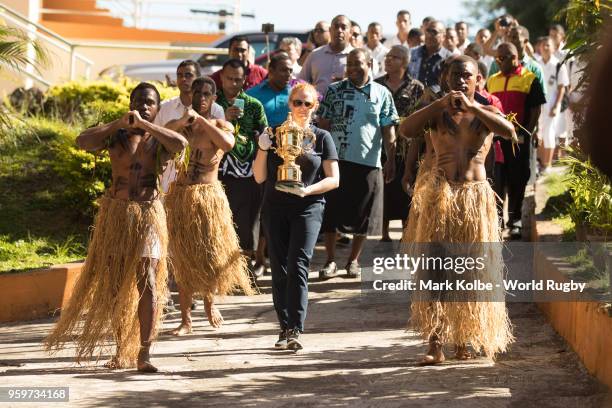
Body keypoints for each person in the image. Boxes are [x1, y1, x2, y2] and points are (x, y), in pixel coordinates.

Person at [45, 83, 188, 372]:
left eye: (149, 103)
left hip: (149, 213)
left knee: (147, 279)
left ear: (157, 108)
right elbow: (82, 141)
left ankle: (144, 353)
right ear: (130, 104)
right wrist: (117, 123)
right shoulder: (116, 137)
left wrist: (148, 124)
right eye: (138, 102)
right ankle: (124, 347)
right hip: (117, 215)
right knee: (115, 285)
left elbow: (181, 144)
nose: (143, 106)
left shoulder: (159, 140)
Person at [399, 55, 516, 364]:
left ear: (478, 79)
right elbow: (406, 130)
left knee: (469, 275)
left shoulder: (485, 113)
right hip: (440, 198)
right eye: (456, 75)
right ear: (446, 77)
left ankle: (463, 339)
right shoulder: (435, 114)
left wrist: (474, 106)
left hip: (474, 201)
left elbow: (509, 132)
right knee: (435, 271)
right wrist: (439, 104)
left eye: (468, 75)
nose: (462, 81)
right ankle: (435, 345)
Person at [164, 76, 254, 335]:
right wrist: (185, 121)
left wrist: (203, 121)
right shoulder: (180, 126)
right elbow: (165, 136)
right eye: (197, 93)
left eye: (206, 94)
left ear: (214, 98)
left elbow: (228, 144)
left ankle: (210, 304)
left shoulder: (220, 124)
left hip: (208, 197)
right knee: (183, 257)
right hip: (182, 196)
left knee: (210, 255)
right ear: (190, 95)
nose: (201, 98)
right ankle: (186, 320)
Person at [253, 83, 339, 350]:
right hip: (275, 207)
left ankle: (295, 329)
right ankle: (284, 326)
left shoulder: (322, 137)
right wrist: (263, 148)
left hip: (308, 207)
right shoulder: (274, 133)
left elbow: (334, 179)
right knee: (278, 268)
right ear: (289, 104)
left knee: (298, 264)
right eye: (297, 102)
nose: (302, 108)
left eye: (307, 104)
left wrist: (307, 190)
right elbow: (259, 177)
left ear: (315, 107)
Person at [317, 48, 398, 279]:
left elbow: (388, 129)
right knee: (331, 213)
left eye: (357, 63)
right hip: (336, 161)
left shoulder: (382, 93)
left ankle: (353, 261)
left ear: (369, 63)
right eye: (349, 64)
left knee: (363, 215)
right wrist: (322, 157)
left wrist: (390, 159)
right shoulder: (334, 90)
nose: (352, 68)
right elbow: (323, 124)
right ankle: (331, 261)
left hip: (368, 162)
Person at [487, 43, 546, 238]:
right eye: (497, 59)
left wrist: (526, 133)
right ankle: (498, 221)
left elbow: (536, 110)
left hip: (518, 140)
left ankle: (515, 221)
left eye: (501, 59)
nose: (498, 63)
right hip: (496, 141)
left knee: (517, 180)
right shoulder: (492, 80)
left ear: (514, 57)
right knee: (497, 180)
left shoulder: (529, 79)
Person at [216, 59, 269, 276]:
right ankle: (220, 272)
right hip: (218, 172)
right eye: (229, 78)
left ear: (244, 80)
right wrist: (222, 117)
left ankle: (244, 272)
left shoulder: (254, 105)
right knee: (220, 221)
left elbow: (265, 133)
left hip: (248, 172)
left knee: (247, 223)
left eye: (238, 79)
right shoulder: (212, 103)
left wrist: (260, 139)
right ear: (221, 77)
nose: (233, 83)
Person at [375, 45, 424, 242]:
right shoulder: (376, 84)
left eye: (394, 57)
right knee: (384, 188)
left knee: (406, 186)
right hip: (380, 145)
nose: (388, 60)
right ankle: (384, 232)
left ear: (404, 62)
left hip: (408, 145)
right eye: (387, 56)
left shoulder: (416, 87)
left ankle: (406, 230)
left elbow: (421, 115)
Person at [155, 60, 225, 194]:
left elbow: (221, 145)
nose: (183, 79)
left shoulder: (216, 109)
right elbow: (156, 139)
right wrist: (181, 122)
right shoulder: (165, 107)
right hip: (166, 182)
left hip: (201, 187)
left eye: (188, 75)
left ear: (197, 78)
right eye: (179, 75)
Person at [536, 36, 569, 173]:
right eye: (543, 45)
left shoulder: (558, 65)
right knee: (539, 133)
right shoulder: (537, 63)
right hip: (539, 104)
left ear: (553, 48)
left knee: (549, 133)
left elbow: (562, 87)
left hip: (551, 104)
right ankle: (540, 163)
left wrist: (556, 106)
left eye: (548, 45)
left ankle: (547, 164)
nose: (544, 47)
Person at [300, 15, 354, 96]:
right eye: (336, 27)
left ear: (350, 32)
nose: (339, 30)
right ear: (330, 30)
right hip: (318, 107)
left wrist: (348, 81)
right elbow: (301, 83)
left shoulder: (357, 57)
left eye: (343, 27)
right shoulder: (315, 55)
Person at [247, 53, 293, 128]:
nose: (288, 74)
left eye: (290, 71)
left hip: (289, 138)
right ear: (271, 71)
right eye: (284, 70)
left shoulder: (296, 96)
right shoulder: (251, 95)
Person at [408, 20, 453, 87]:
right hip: (413, 96)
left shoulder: (449, 58)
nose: (429, 35)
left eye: (434, 32)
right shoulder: (411, 53)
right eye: (427, 31)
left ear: (443, 36)